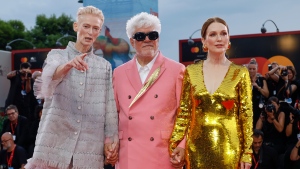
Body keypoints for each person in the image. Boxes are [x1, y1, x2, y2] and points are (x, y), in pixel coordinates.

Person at [25, 6, 118, 169]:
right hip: (53, 147)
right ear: (76, 27)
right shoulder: (57, 55)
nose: (90, 32)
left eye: (95, 28)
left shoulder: (105, 66)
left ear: (99, 31)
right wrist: (66, 67)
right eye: (86, 26)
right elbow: (47, 81)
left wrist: (111, 140)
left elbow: (110, 109)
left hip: (88, 150)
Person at [169, 17, 253, 169]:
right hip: (196, 149)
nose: (219, 38)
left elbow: (246, 116)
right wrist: (176, 143)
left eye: (223, 33)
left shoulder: (240, 73)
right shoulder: (191, 72)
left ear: (228, 39)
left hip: (230, 148)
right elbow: (184, 112)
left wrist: (247, 151)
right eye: (213, 34)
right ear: (204, 41)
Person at [113, 12, 186, 169]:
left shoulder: (177, 70)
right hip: (128, 155)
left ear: (158, 38)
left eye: (152, 35)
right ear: (132, 42)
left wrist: (183, 145)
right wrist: (109, 142)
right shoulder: (118, 73)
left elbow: (186, 114)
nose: (147, 40)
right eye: (140, 36)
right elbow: (112, 114)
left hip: (164, 154)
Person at [247, 58, 269, 127]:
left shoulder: (262, 80)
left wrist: (258, 87)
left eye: (254, 69)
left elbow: (267, 94)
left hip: (259, 108)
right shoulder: (244, 80)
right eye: (250, 69)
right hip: (247, 109)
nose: (251, 71)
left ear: (257, 69)